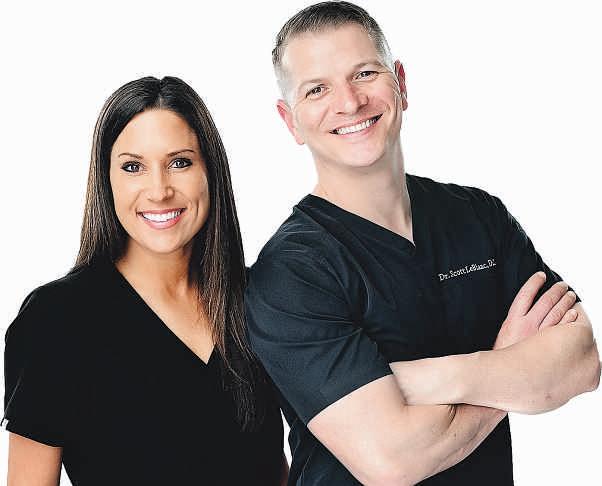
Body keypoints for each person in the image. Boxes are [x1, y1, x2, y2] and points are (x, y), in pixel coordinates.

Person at [244, 2, 600, 485]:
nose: (349, 102)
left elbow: (581, 362)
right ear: (290, 121)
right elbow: (394, 462)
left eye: (364, 73)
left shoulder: (479, 216)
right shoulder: (291, 272)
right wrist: (509, 366)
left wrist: (429, 378)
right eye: (317, 89)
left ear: (401, 84)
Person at [3, 76, 286, 485]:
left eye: (180, 162)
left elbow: (274, 469)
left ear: (210, 171)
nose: (159, 190)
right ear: (106, 179)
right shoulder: (56, 320)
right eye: (133, 167)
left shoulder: (257, 301)